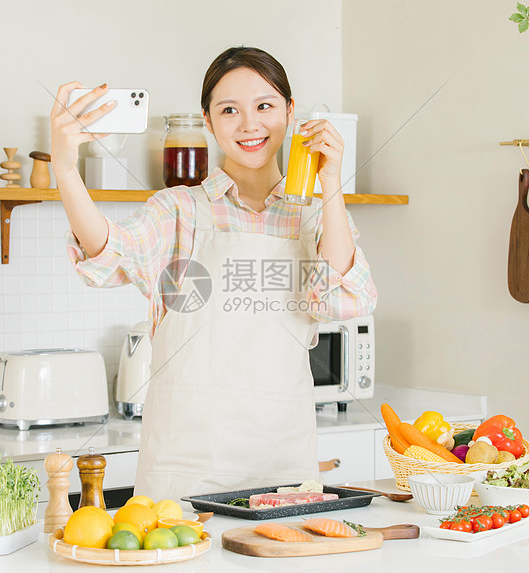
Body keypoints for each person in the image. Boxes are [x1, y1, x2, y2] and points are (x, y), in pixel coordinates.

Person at [50, 47, 377, 502]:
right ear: (208, 121)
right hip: (186, 472)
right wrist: (65, 169)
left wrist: (333, 185)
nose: (249, 124)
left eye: (265, 106)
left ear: (290, 112)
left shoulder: (318, 217)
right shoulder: (179, 211)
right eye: (229, 110)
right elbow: (107, 254)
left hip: (282, 465)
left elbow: (348, 299)